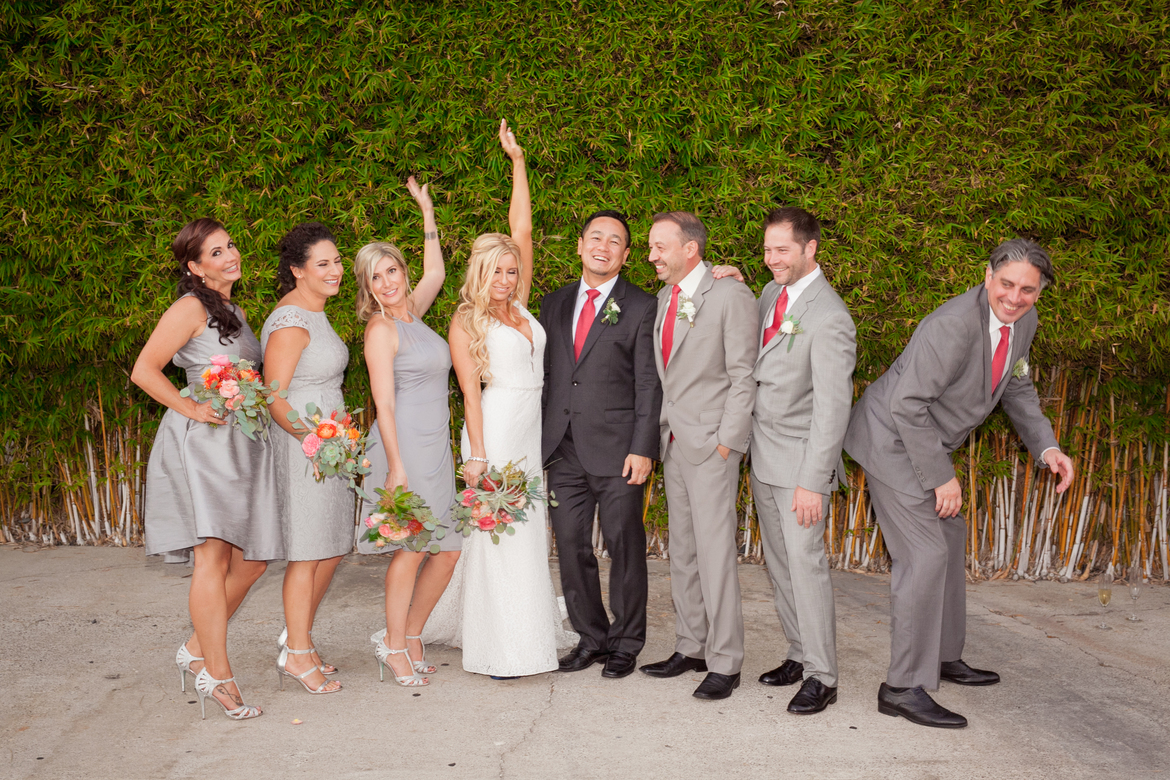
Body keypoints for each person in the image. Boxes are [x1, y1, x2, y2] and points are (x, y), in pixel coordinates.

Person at [843, 238, 1075, 728]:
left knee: (948, 539)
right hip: (891, 440)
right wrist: (942, 478)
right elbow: (907, 405)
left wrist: (1047, 447)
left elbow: (1015, 384)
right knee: (924, 556)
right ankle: (902, 687)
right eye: (1006, 284)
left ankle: (943, 657)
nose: (1014, 297)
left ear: (1040, 292)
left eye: (1027, 290)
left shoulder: (1024, 321)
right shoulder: (952, 325)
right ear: (988, 277)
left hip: (924, 440)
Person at [423, 120, 577, 677]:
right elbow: (468, 394)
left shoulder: (522, 304)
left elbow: (522, 228)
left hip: (530, 429)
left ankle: (528, 631)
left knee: (527, 531)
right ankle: (499, 648)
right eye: (497, 272)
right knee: (496, 534)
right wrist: (478, 457)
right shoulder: (467, 319)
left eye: (512, 271)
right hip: (495, 429)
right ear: (480, 273)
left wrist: (518, 162)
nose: (507, 279)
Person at [133, 218, 281, 720]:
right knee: (212, 559)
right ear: (195, 267)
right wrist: (192, 407)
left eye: (230, 245)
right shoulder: (190, 307)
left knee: (253, 560)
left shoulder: (234, 310)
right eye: (215, 252)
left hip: (241, 443)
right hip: (205, 446)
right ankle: (217, 675)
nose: (230, 255)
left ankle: (197, 649)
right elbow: (144, 370)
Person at [540, 210, 662, 679]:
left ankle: (626, 643)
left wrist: (643, 447)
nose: (603, 247)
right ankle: (591, 638)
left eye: (615, 241)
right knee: (572, 546)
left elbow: (649, 383)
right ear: (580, 245)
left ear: (626, 255)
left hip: (619, 451)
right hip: (563, 448)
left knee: (624, 547)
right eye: (596, 237)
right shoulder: (554, 303)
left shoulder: (642, 305)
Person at [640, 211, 757, 700]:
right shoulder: (666, 297)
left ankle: (725, 661)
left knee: (715, 555)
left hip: (711, 446)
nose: (651, 255)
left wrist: (726, 442)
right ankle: (691, 646)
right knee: (684, 551)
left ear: (690, 249)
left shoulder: (730, 295)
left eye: (659, 246)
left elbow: (744, 375)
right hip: (674, 441)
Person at [353, 177, 460, 687]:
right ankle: (394, 645)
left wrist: (428, 213)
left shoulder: (413, 312)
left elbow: (436, 270)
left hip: (436, 445)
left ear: (402, 270)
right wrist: (395, 466)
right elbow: (384, 404)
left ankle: (413, 634)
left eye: (391, 270)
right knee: (413, 548)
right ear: (367, 287)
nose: (387, 282)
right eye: (375, 278)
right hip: (405, 449)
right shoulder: (381, 329)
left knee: (449, 549)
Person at [748, 207, 855, 715]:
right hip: (763, 457)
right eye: (768, 249)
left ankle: (822, 676)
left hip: (800, 468)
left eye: (783, 250)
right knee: (780, 566)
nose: (772, 259)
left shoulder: (831, 317)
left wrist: (814, 481)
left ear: (811, 248)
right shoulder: (772, 294)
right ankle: (798, 652)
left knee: (806, 568)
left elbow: (833, 410)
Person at [261, 221, 351, 696]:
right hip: (304, 450)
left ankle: (300, 640)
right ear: (297, 270)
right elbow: (274, 398)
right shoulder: (291, 321)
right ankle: (296, 653)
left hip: (328, 447)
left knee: (329, 547)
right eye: (323, 263)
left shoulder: (315, 311)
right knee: (306, 551)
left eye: (337, 261)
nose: (335, 270)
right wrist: (313, 442)